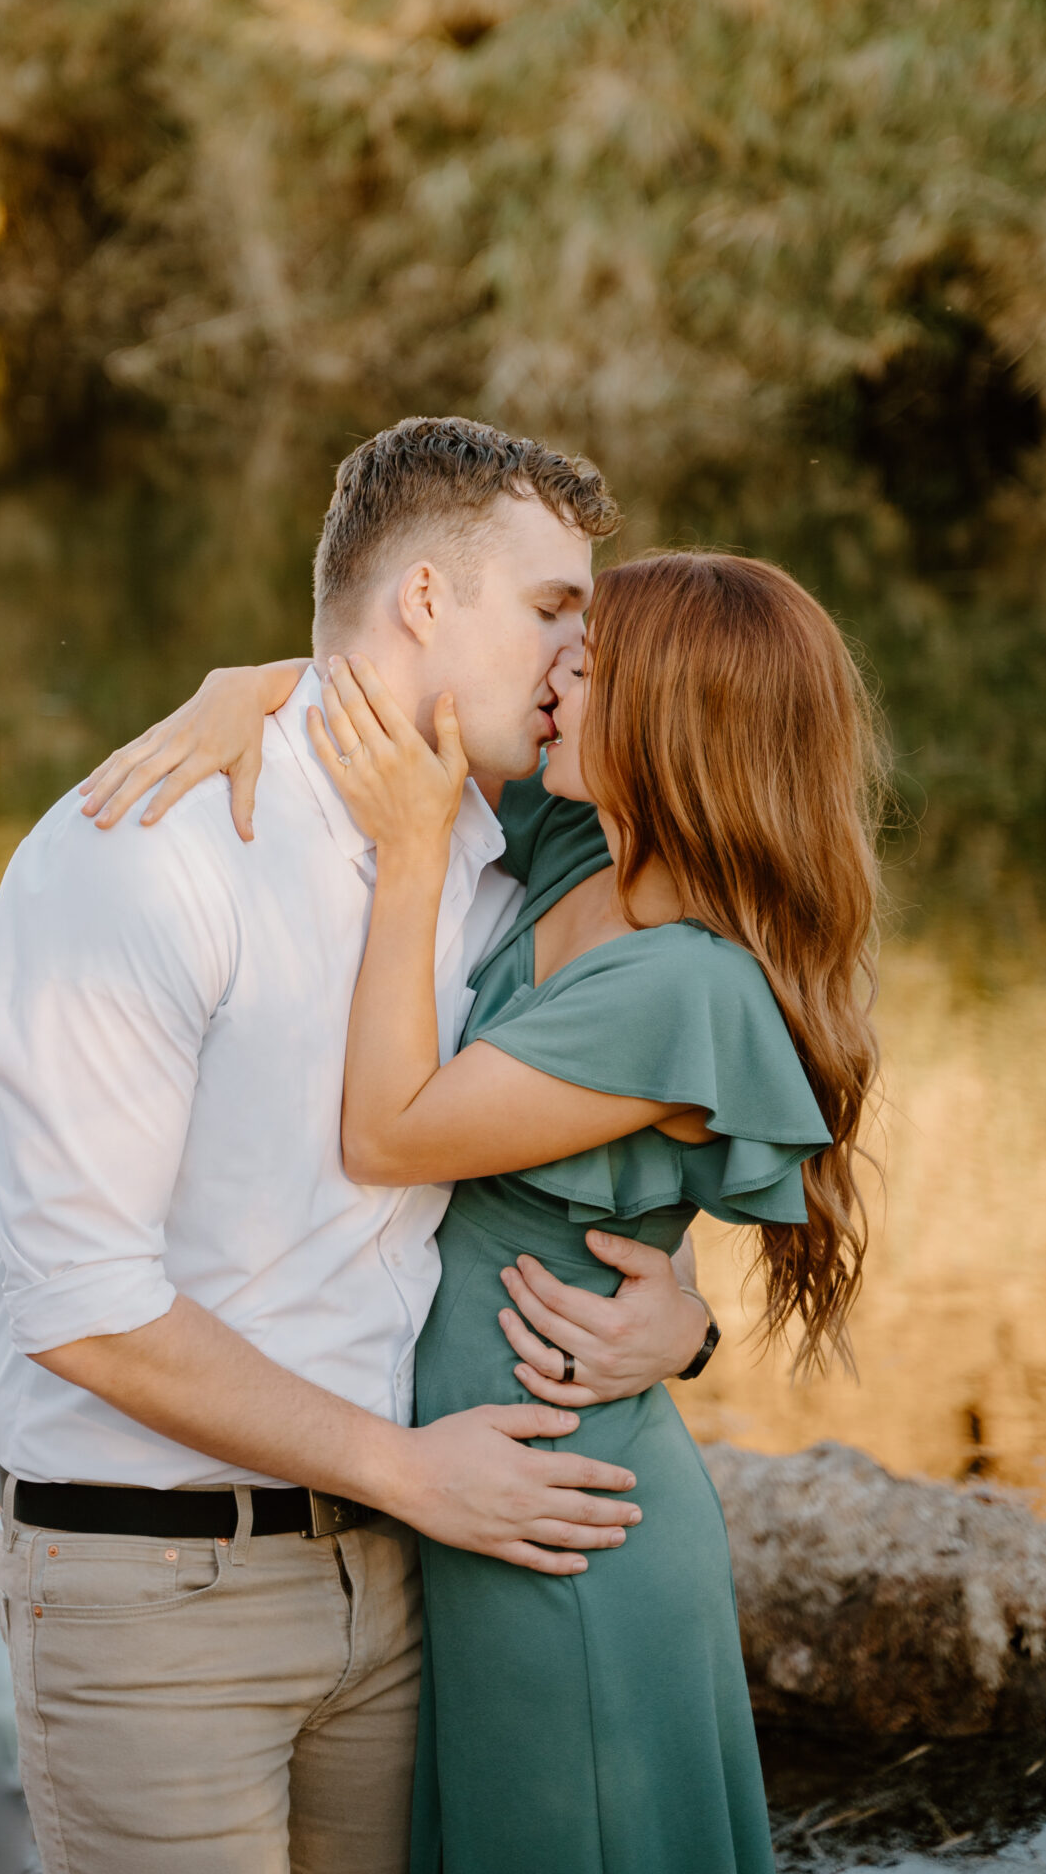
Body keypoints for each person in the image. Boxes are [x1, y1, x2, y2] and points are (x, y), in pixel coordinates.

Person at [0, 418, 721, 1874]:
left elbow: (603, 1159)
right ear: (429, 600)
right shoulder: (147, 851)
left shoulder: (516, 861)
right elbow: (79, 1306)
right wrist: (405, 1469)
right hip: (155, 1589)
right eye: (554, 615)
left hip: (407, 1584)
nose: (578, 666)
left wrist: (679, 1327)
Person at [121, 547, 883, 1874]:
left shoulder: (680, 985)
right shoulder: (584, 845)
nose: (551, 681)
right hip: (470, 1499)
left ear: (666, 723)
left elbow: (391, 1133)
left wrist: (415, 859)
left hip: (559, 1528)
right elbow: (401, 712)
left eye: (585, 668)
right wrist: (246, 687)